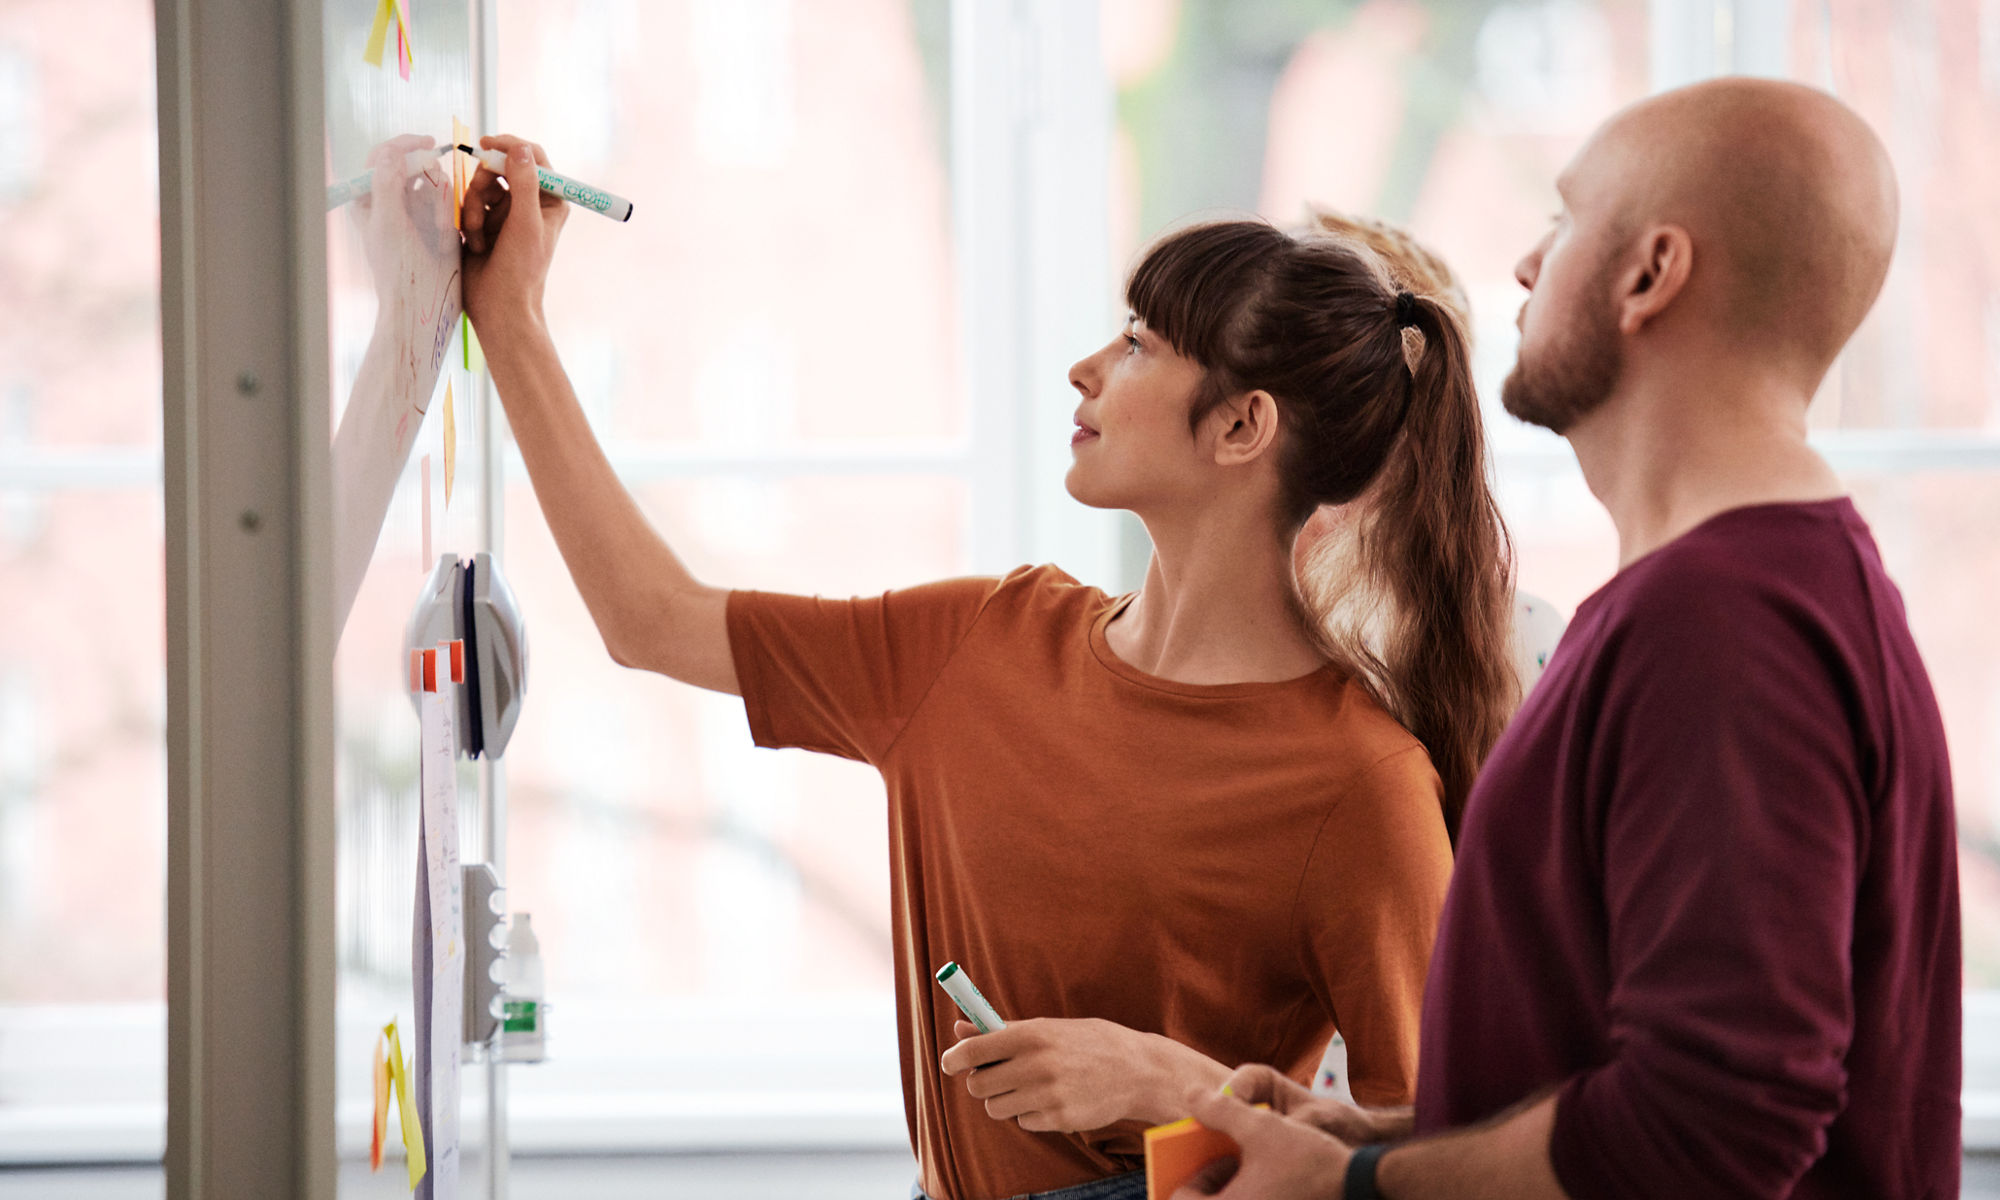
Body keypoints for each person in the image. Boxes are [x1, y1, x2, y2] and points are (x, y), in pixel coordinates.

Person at [460, 135, 1517, 1200]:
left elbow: (1421, 1163)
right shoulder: (977, 644)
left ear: (1241, 426)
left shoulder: (1358, 782)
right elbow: (651, 620)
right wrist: (512, 321)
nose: (1086, 368)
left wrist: (1168, 1084)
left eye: (1139, 345)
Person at [1176, 77, 1960, 1200]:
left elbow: (1713, 1127)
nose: (1525, 266)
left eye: (1562, 219)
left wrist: (1350, 1191)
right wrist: (1368, 1138)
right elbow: (1620, 1079)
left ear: (1648, 275)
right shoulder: (1729, 597)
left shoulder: (1721, 626)